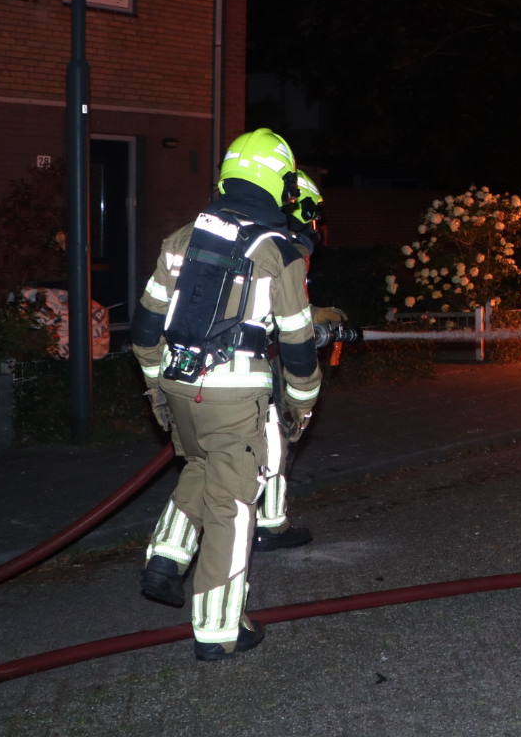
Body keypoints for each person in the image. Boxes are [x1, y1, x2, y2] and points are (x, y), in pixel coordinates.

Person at [130, 128, 322, 661]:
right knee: (233, 508)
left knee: (199, 466)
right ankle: (218, 630)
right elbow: (299, 344)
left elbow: (144, 329)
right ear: (279, 185)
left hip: (177, 383)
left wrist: (157, 389)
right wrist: (302, 404)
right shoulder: (278, 253)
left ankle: (165, 559)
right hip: (234, 397)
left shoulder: (182, 239)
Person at [254, 169, 344, 551]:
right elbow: (280, 313)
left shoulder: (273, 244)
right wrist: (314, 320)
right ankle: (264, 526)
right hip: (260, 361)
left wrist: (317, 315)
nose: (316, 226)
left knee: (273, 440)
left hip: (257, 358)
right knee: (273, 439)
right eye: (312, 215)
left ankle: (269, 521)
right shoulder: (282, 248)